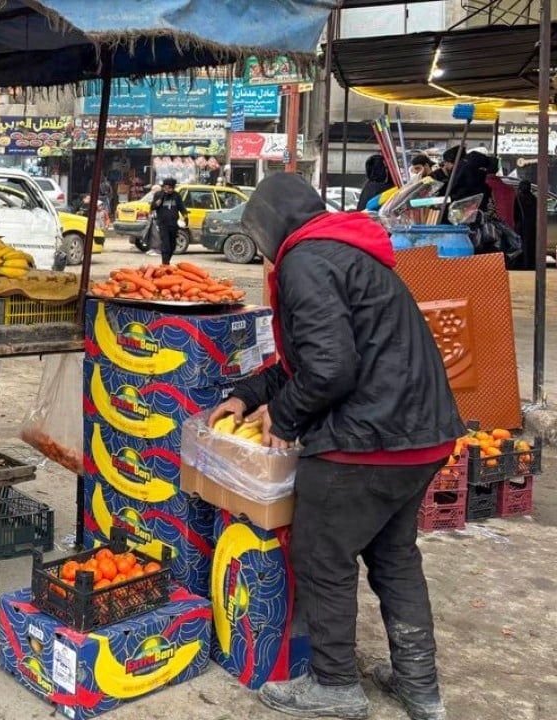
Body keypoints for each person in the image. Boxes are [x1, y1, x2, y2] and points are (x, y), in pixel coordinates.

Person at [209, 173, 462, 720]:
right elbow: (312, 358)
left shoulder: (306, 261)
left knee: (322, 556)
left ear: (272, 227)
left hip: (366, 440)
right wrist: (246, 395)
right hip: (422, 434)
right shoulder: (348, 252)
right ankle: (420, 687)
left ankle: (335, 685)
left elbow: (330, 368)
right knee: (394, 557)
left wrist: (282, 413)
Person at [149, 178, 182, 264]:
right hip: (163, 224)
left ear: (173, 188)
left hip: (173, 224)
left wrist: (186, 217)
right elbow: (152, 207)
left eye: (170, 188)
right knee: (165, 244)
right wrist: (159, 201)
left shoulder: (176, 196)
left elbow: (182, 207)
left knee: (172, 245)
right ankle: (165, 263)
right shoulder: (158, 195)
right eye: (166, 187)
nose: (168, 190)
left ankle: (167, 261)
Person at [514, 179, 539, 271]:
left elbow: (515, 214)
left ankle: (523, 264)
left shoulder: (518, 198)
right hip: (532, 226)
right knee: (531, 245)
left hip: (521, 226)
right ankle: (531, 264)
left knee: (522, 245)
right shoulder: (534, 199)